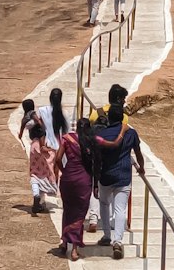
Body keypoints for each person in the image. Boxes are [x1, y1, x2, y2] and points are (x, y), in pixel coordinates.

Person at [93, 95, 145, 259]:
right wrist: (141, 168)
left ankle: (107, 236)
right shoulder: (131, 133)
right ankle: (118, 241)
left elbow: (96, 159)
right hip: (123, 175)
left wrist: (95, 181)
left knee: (104, 203)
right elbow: (138, 153)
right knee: (120, 209)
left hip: (105, 175)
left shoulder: (102, 133)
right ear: (122, 118)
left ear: (108, 118)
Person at [54, 115, 97, 260]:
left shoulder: (67, 138)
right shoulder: (90, 142)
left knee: (68, 210)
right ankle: (74, 249)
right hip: (83, 180)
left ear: (77, 127)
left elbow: (58, 158)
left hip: (68, 179)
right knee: (79, 215)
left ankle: (65, 243)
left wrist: (65, 170)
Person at [27, 120, 60, 215]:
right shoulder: (41, 144)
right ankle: (39, 201)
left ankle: (36, 196)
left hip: (34, 167)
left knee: (34, 180)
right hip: (43, 169)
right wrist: (53, 150)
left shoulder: (33, 143)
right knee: (41, 182)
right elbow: (46, 152)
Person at [38, 86, 71, 151]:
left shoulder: (43, 111)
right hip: (60, 146)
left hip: (46, 144)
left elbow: (40, 129)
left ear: (50, 98)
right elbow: (67, 131)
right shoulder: (65, 113)